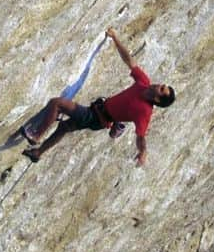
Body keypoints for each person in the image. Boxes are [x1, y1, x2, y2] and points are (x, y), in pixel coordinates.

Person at [18, 27, 175, 168]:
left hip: (95, 117)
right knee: (64, 127)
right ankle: (38, 153)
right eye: (162, 85)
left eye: (162, 90)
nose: (159, 85)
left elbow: (140, 137)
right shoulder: (143, 82)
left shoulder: (145, 112)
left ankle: (36, 136)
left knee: (57, 104)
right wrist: (115, 38)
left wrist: (143, 152)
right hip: (97, 112)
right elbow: (129, 60)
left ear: (158, 100)